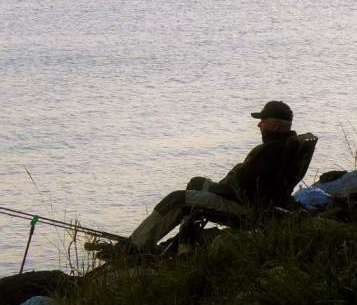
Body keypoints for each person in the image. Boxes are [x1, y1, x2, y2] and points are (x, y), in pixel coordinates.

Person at [107, 101, 299, 256]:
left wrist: (217, 188)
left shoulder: (270, 151)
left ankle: (134, 247)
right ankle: (185, 243)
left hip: (242, 206)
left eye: (262, 120)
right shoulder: (285, 146)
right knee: (196, 183)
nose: (259, 124)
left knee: (178, 199)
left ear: (274, 124)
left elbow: (242, 187)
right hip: (259, 202)